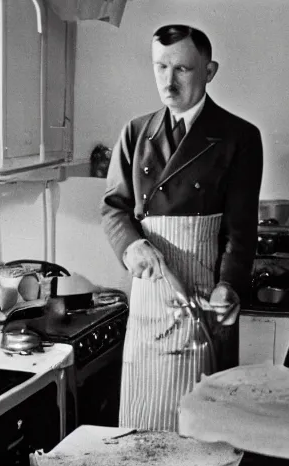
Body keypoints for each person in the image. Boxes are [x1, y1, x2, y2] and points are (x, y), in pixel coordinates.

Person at [101, 24, 263, 431]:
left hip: (204, 299)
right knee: (142, 427)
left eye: (182, 70)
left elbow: (240, 231)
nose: (168, 82)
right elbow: (114, 210)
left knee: (200, 432)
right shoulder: (136, 133)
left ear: (209, 71)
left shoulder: (239, 136)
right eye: (160, 68)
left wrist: (229, 286)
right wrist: (131, 247)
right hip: (150, 299)